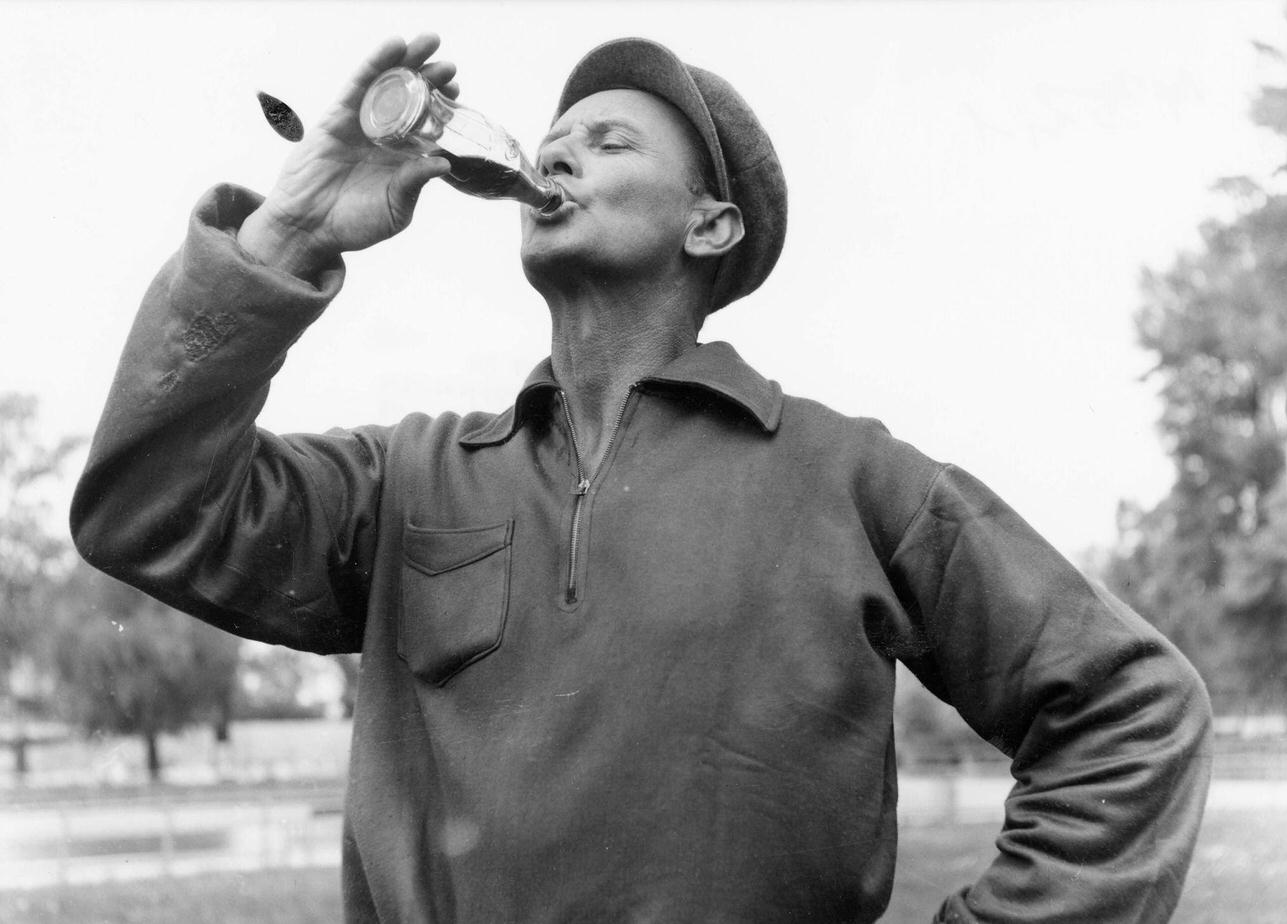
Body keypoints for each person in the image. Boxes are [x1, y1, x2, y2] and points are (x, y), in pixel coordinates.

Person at [72, 33, 1212, 924]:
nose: (555, 154)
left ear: (708, 225)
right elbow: (145, 509)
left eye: (609, 142)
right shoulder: (406, 480)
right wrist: (290, 228)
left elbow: (1131, 710)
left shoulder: (849, 478)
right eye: (553, 137)